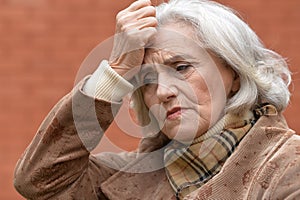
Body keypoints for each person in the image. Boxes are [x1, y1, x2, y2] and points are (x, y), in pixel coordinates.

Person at [14, 0, 300, 199]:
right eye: (147, 81)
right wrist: (117, 70)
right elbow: (38, 181)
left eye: (181, 68)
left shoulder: (288, 166)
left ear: (235, 73)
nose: (163, 92)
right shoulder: (125, 179)